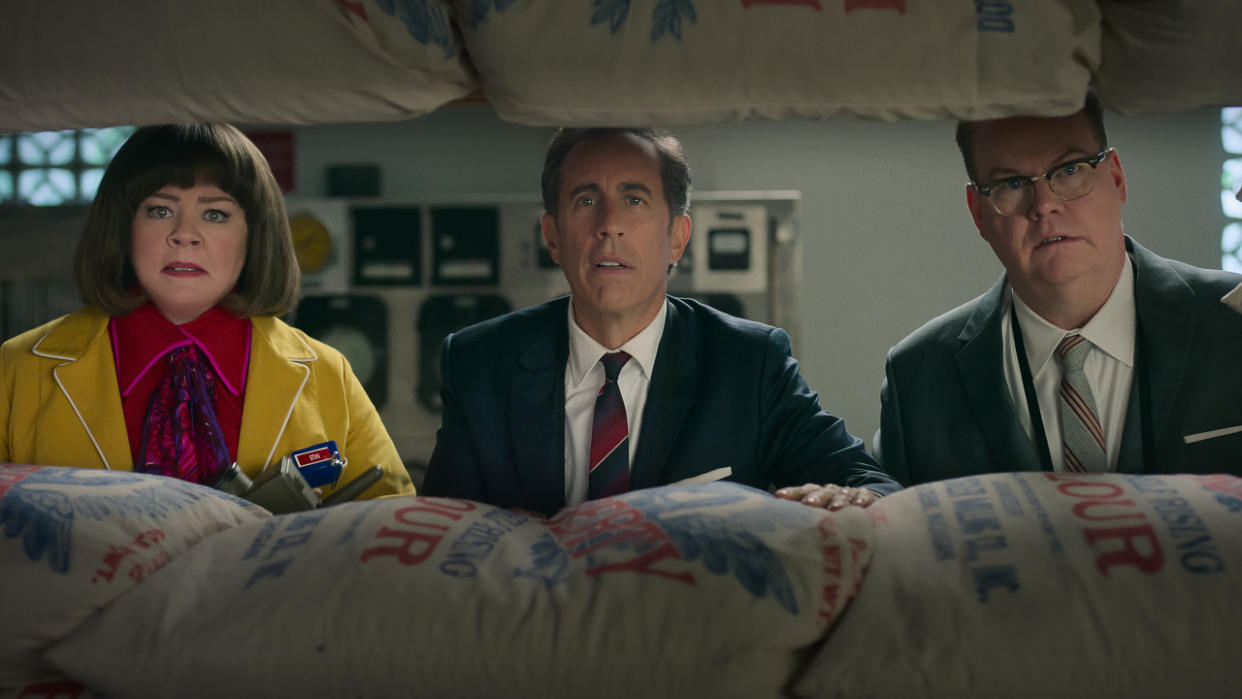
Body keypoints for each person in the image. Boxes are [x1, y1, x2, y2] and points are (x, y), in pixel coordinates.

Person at [423, 127, 898, 516]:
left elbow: (872, 484)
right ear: (553, 236)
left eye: (634, 200)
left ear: (677, 238)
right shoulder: (479, 363)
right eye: (586, 201)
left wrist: (856, 498)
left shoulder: (748, 363)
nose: (610, 223)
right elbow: (438, 530)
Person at [0, 124, 414, 499]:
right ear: (122, 227)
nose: (184, 235)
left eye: (215, 214)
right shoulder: (18, 369)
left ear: (254, 235)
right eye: (160, 210)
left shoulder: (328, 374)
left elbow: (390, 528)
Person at [879, 92, 1242, 485]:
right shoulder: (918, 374)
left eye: (1070, 170)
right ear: (977, 212)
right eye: (1011, 183)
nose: (1044, 204)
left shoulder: (1234, 319)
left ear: (1116, 178)